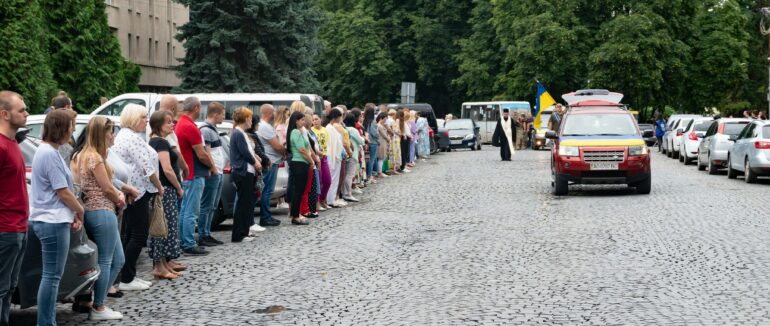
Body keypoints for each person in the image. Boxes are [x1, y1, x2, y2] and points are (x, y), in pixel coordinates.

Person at [29, 110, 83, 325]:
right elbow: (62, 191)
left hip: (51, 218)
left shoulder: (48, 151)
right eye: (71, 125)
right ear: (62, 128)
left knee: (51, 276)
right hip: (52, 220)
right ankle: (46, 322)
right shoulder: (49, 154)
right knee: (52, 277)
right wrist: (80, 209)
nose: (72, 129)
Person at [70, 116, 126, 320]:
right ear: (102, 133)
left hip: (94, 211)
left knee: (117, 259)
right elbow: (107, 188)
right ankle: (99, 306)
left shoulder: (81, 155)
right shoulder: (94, 157)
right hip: (102, 210)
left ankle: (97, 300)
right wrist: (120, 197)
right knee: (107, 260)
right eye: (111, 131)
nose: (113, 135)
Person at [113, 104, 163, 291]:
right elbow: (146, 167)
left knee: (132, 234)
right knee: (139, 235)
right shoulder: (131, 138)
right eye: (143, 117)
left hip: (135, 190)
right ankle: (126, 277)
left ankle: (127, 275)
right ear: (133, 118)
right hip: (137, 192)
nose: (146, 121)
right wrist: (159, 187)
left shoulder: (127, 136)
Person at [0, 91, 29, 326]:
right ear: (5, 114)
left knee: (9, 288)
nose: (26, 113)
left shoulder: (13, 143)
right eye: (21, 110)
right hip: (5, 228)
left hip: (18, 227)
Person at [175, 96, 216, 256]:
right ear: (197, 108)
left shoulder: (181, 124)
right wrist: (212, 167)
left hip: (188, 174)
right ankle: (189, 243)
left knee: (185, 210)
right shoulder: (190, 126)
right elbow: (202, 154)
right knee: (191, 211)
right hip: (193, 174)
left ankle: (183, 241)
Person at [147, 111, 184, 280]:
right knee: (162, 228)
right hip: (166, 189)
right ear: (159, 125)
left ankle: (164, 263)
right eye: (168, 122)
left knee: (164, 226)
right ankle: (159, 266)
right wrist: (178, 187)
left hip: (162, 189)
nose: (172, 124)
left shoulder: (157, 141)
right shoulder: (160, 142)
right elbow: (167, 169)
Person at [230, 107, 262, 242]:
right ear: (245, 119)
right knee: (243, 204)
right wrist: (255, 162)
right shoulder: (238, 133)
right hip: (242, 172)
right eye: (249, 118)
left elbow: (248, 150)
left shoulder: (241, 133)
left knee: (247, 203)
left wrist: (255, 157)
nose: (251, 121)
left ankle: (245, 231)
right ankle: (239, 234)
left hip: (247, 172)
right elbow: (244, 152)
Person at [198, 102, 226, 247]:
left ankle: (207, 232)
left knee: (213, 205)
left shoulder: (213, 129)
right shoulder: (205, 130)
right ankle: (203, 234)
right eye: (222, 114)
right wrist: (213, 168)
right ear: (215, 114)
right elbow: (207, 152)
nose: (223, 116)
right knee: (207, 205)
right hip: (214, 172)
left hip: (219, 172)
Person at [257, 104, 285, 227]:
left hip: (272, 160)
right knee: (267, 191)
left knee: (268, 190)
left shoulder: (264, 126)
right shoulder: (265, 127)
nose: (275, 114)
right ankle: (265, 216)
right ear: (269, 113)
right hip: (270, 161)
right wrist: (285, 152)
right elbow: (277, 145)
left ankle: (266, 215)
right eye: (273, 111)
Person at [286, 111, 313, 225]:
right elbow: (302, 149)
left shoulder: (295, 131)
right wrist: (311, 161)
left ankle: (295, 214)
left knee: (298, 190)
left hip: (299, 163)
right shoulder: (296, 132)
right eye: (302, 119)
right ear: (296, 121)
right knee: (298, 191)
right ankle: (296, 216)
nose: (304, 121)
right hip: (299, 163)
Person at [325, 108, 345, 207]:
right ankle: (330, 199)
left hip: (336, 156)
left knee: (334, 178)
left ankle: (331, 199)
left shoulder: (331, 127)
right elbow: (334, 144)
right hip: (333, 156)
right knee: (333, 178)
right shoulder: (330, 128)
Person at [342, 112, 364, 202]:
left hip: (345, 154)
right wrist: (363, 138)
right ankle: (348, 194)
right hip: (353, 154)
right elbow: (361, 141)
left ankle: (343, 193)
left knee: (344, 175)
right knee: (349, 175)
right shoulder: (353, 130)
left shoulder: (343, 129)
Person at [312, 114, 331, 209]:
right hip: (316, 157)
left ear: (321, 119)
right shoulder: (311, 131)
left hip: (324, 157)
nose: (315, 121)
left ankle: (323, 199)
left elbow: (327, 143)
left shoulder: (325, 130)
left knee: (327, 180)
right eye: (313, 120)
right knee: (318, 181)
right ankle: (317, 202)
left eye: (316, 119)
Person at [364, 107, 379, 183]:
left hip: (366, 142)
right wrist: (378, 134)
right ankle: (369, 176)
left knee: (366, 160)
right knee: (371, 160)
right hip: (373, 142)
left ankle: (366, 175)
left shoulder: (365, 121)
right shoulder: (372, 122)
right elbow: (374, 133)